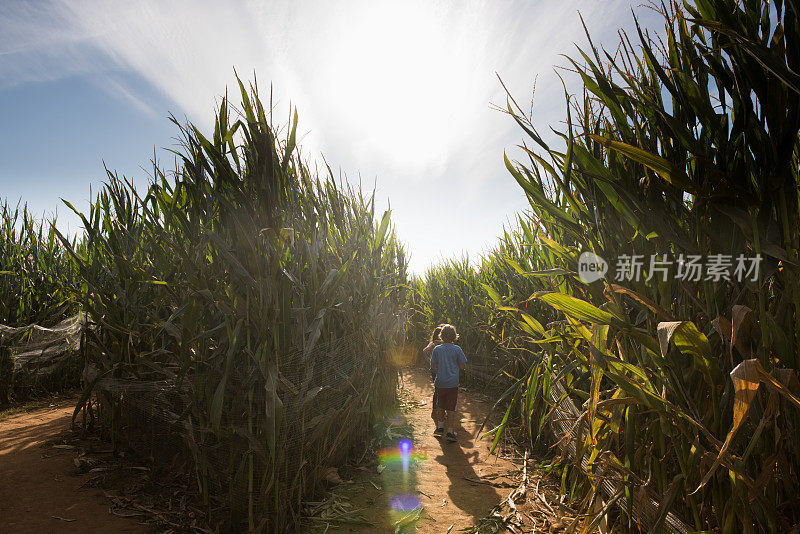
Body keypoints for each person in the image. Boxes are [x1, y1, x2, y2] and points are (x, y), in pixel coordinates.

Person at [430, 324, 467, 443]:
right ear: (454, 336)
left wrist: (441, 370)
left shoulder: (437, 349)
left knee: (440, 405)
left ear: (441, 336)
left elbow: (433, 365)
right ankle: (450, 432)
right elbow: (462, 365)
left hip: (440, 382)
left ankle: (440, 428)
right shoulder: (457, 349)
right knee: (451, 408)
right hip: (452, 384)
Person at [422, 325, 445, 435]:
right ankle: (434, 410)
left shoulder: (445, 344)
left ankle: (440, 410)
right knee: (437, 390)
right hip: (435, 370)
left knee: (442, 390)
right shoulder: (433, 344)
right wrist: (430, 360)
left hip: (444, 370)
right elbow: (425, 351)